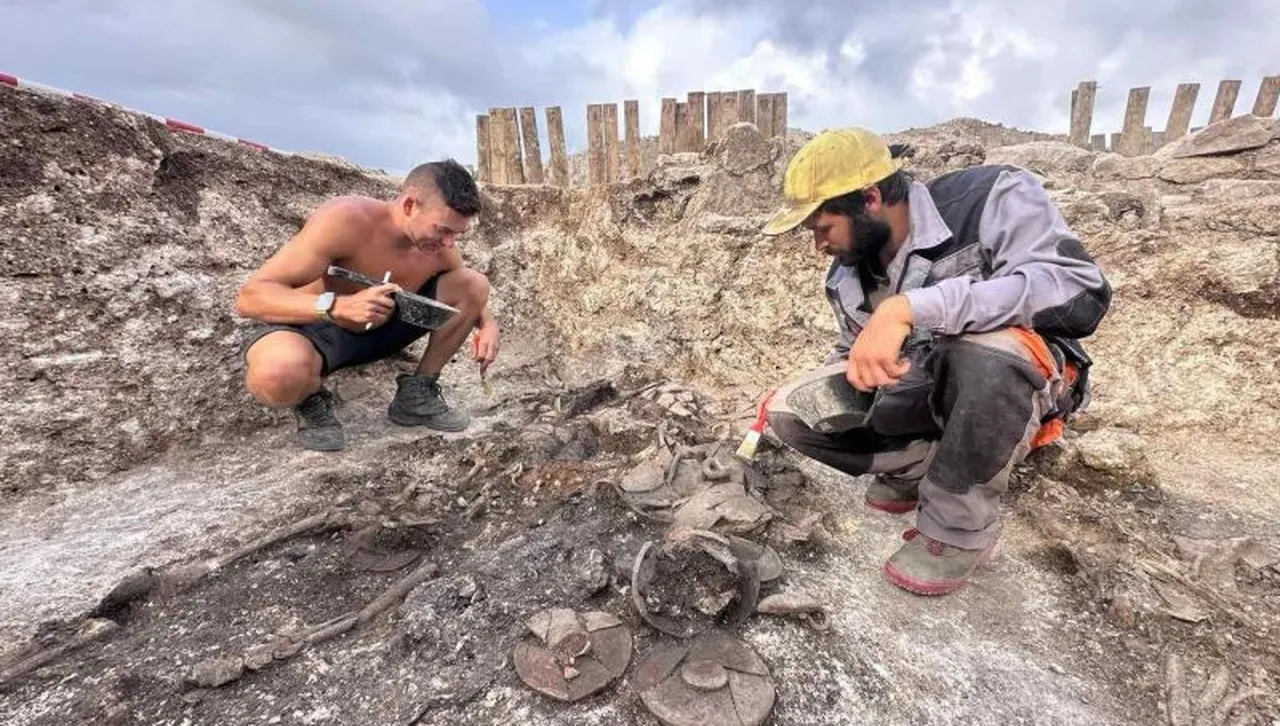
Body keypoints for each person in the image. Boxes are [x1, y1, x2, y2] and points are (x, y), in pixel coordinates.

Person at [759, 128, 1111, 596]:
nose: (818, 245)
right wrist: (815, 386)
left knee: (984, 351)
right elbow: (854, 353)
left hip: (1019, 378)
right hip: (926, 387)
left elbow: (1079, 293)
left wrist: (910, 308)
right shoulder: (846, 275)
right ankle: (922, 468)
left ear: (869, 199)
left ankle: (957, 528)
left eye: (822, 228)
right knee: (793, 410)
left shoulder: (991, 197)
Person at [235, 159, 500, 452]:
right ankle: (309, 398)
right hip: (319, 331)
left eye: (456, 234)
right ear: (410, 205)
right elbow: (250, 298)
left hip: (385, 330)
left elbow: (469, 293)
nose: (449, 243)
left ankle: (417, 392)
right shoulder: (346, 219)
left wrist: (487, 323)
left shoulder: (435, 246)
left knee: (474, 282)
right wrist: (336, 306)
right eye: (443, 230)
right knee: (275, 375)